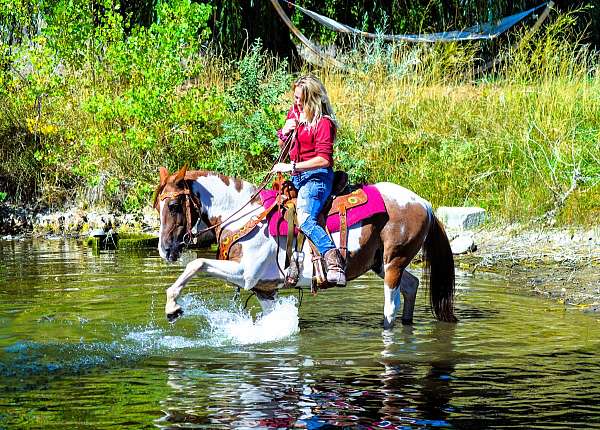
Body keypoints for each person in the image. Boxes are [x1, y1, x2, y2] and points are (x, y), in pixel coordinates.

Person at [271, 75, 346, 286]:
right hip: (297, 177)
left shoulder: (323, 123)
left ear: (313, 99)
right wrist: (284, 134)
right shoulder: (294, 115)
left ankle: (333, 261)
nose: (296, 102)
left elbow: (324, 159)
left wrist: (291, 167)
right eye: (295, 97)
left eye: (301, 99)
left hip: (317, 178)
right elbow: (285, 152)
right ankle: (292, 260)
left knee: (305, 219)